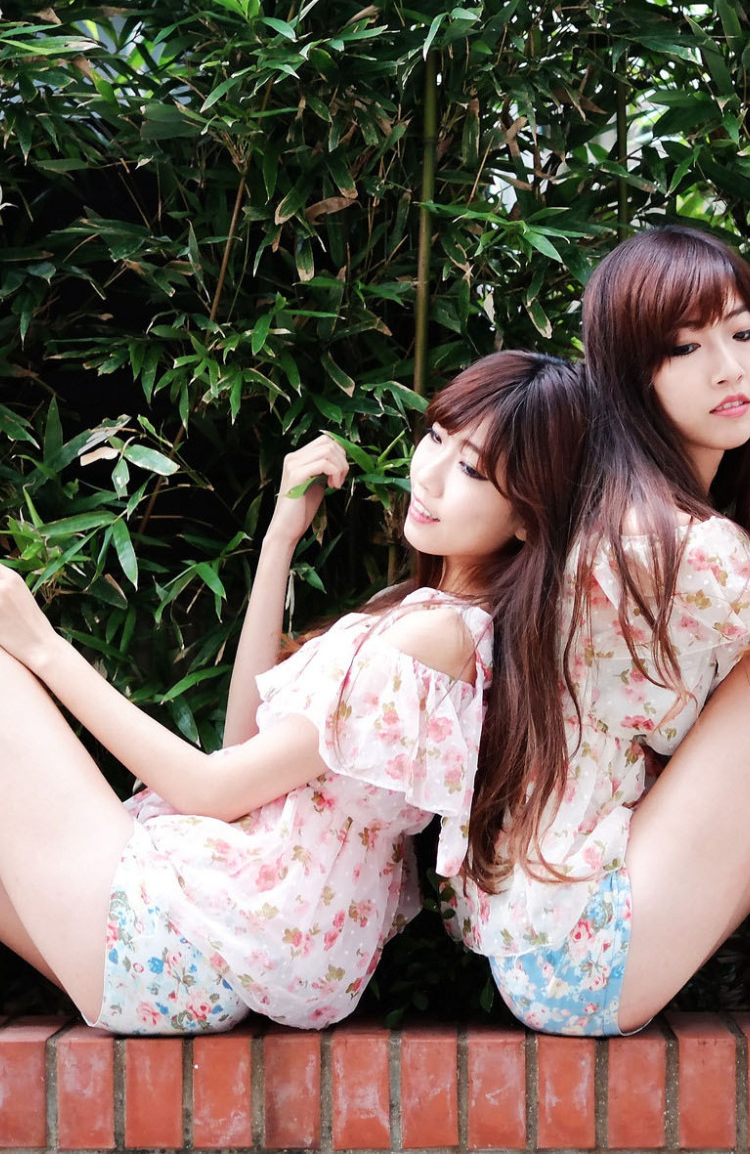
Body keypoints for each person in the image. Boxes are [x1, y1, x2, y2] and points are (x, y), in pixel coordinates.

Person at [0, 349, 587, 1035]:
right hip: (206, 942)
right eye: (436, 436)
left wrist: (43, 647)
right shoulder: (416, 615)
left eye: (471, 469)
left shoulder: (439, 637)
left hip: (183, 939)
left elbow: (212, 789)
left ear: (529, 518)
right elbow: (241, 751)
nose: (427, 475)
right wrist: (280, 539)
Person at [446, 224, 750, 1037]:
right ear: (629, 374)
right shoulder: (676, 545)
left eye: (743, 333)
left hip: (556, 939)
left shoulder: (626, 515)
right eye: (684, 347)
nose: (730, 368)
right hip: (586, 945)